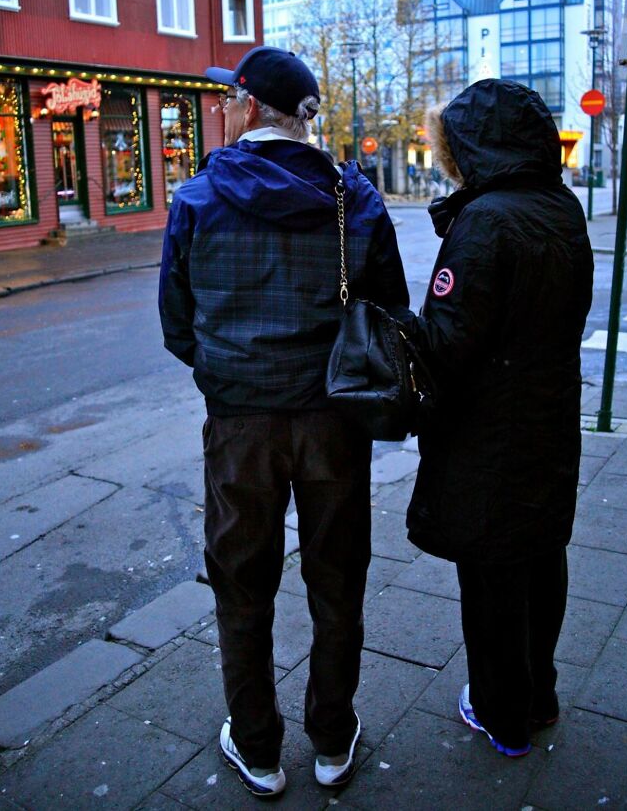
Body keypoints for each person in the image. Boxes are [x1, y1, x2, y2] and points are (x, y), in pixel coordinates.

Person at [158, 46, 409, 796]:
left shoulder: (199, 198)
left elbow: (177, 324)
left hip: (241, 425)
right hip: (334, 420)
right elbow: (391, 316)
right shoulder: (353, 198)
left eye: (225, 101)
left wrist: (225, 376)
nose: (220, 113)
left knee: (242, 583)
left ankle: (259, 749)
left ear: (246, 105)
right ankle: (332, 741)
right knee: (338, 580)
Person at [404, 79, 593, 758]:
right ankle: (538, 696)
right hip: (547, 419)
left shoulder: (484, 221)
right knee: (543, 559)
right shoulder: (560, 207)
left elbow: (449, 344)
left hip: (490, 434)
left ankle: (499, 712)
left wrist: (403, 331)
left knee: (491, 578)